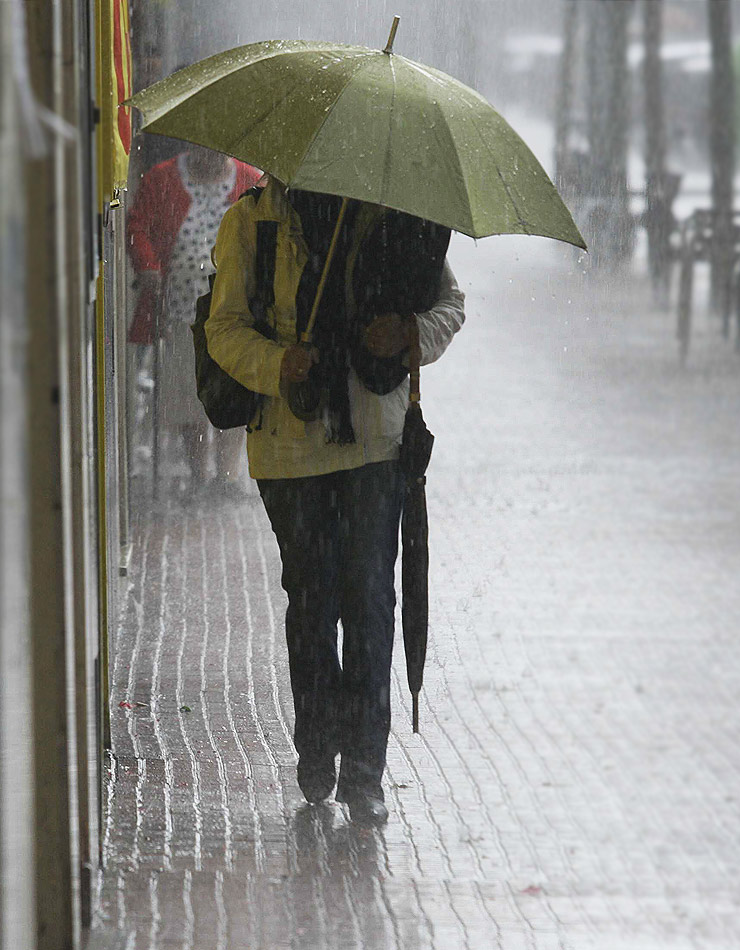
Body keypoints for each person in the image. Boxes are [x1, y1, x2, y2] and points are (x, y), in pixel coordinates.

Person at [206, 177, 465, 825]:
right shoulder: (253, 223)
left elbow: (449, 303)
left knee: (371, 598)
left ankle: (364, 771)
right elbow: (225, 326)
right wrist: (278, 364)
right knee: (313, 599)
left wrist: (408, 332)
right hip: (287, 451)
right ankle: (317, 743)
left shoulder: (390, 217)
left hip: (375, 445)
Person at [127, 146, 261, 497]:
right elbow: (137, 226)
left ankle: (228, 476)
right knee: (188, 393)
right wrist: (149, 269)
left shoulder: (249, 179)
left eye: (219, 150)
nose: (211, 156)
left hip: (236, 310)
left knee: (233, 386)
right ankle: (200, 474)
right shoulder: (163, 178)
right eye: (204, 148)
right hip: (181, 310)